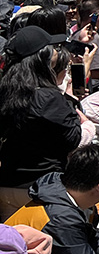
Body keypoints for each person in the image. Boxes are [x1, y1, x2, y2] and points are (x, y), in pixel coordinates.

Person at [0, 31, 82, 221]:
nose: (56, 51)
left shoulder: (6, 90)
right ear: (41, 57)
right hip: (38, 190)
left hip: (6, 185)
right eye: (52, 48)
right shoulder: (48, 98)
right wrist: (69, 102)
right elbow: (72, 138)